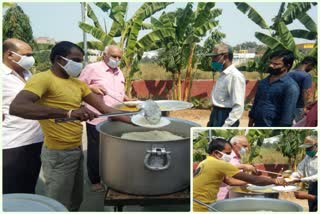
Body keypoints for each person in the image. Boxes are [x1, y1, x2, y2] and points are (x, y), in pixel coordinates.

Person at [9, 41, 131, 211]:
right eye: (75, 59)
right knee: (59, 204)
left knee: (76, 201)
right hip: (57, 154)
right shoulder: (43, 79)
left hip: (76, 149)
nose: (79, 65)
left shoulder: (79, 84)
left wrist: (136, 121)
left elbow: (105, 109)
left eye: (81, 60)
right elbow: (17, 107)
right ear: (60, 59)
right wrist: (68, 113)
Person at [78, 45, 132, 192]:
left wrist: (128, 99)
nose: (117, 60)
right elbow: (78, 86)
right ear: (105, 55)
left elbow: (119, 91)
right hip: (98, 117)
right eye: (114, 56)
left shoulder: (119, 72)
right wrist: (91, 88)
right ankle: (95, 180)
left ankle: (113, 175)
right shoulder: (92, 68)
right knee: (96, 151)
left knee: (114, 149)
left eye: (119, 57)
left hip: (117, 116)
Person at [193, 138, 286, 211]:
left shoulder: (205, 161)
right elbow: (254, 179)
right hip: (202, 207)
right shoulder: (219, 164)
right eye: (227, 153)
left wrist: (248, 183)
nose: (229, 156)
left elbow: (229, 181)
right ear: (216, 153)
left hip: (197, 204)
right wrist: (274, 180)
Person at [2, 38, 43, 194]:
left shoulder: (27, 74)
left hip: (36, 140)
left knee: (28, 188)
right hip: (13, 145)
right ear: (10, 55)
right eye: (26, 55)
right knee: (11, 191)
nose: (31, 58)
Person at [249, 50, 299, 127]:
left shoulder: (290, 87)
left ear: (287, 66)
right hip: (258, 124)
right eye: (270, 63)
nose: (271, 66)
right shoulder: (263, 82)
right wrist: (250, 122)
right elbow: (256, 103)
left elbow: (287, 117)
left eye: (276, 64)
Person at [206, 43, 246, 127]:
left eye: (215, 57)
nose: (212, 60)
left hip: (225, 116)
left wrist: (227, 125)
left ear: (225, 56)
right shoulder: (223, 74)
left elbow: (238, 106)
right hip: (216, 113)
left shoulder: (235, 76)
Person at [217, 135, 257, 200]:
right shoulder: (225, 155)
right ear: (234, 144)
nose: (246, 149)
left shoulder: (238, 157)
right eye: (244, 146)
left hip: (232, 195)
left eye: (247, 146)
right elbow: (228, 176)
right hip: (221, 197)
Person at [291, 136, 318, 212]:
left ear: (316, 146)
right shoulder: (308, 156)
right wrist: (293, 177)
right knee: (312, 208)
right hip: (312, 186)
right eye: (306, 148)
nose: (307, 150)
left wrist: (301, 180)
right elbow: (300, 168)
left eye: (309, 148)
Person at [287, 56, 317, 122]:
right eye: (312, 67)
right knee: (301, 123)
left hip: (288, 105)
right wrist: (306, 106)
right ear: (309, 64)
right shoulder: (306, 76)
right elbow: (305, 92)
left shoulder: (289, 73)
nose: (311, 69)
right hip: (299, 106)